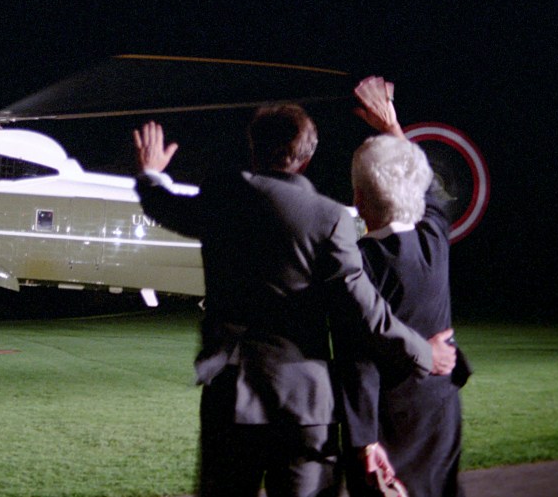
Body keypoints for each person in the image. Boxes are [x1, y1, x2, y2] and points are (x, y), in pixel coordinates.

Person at [133, 105, 457, 497]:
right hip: (305, 404)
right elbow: (365, 309)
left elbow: (164, 206)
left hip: (231, 394)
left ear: (254, 149)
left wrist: (150, 173)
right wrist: (423, 352)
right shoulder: (329, 218)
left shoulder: (224, 196)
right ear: (306, 158)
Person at [340, 76, 470, 497]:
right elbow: (428, 186)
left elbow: (358, 359)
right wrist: (391, 125)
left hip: (387, 423)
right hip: (440, 411)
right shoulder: (434, 237)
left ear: (359, 200)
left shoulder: (358, 262)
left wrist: (365, 439)